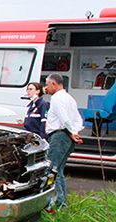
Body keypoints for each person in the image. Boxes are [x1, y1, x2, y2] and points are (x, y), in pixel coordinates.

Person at [44, 73, 84, 211]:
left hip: (60, 136)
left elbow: (64, 118)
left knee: (51, 170)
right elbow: (78, 119)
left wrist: (72, 132)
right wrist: (76, 131)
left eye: (47, 84)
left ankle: (56, 204)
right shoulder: (69, 98)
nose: (46, 88)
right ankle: (62, 204)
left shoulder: (57, 98)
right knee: (59, 171)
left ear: (54, 84)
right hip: (66, 137)